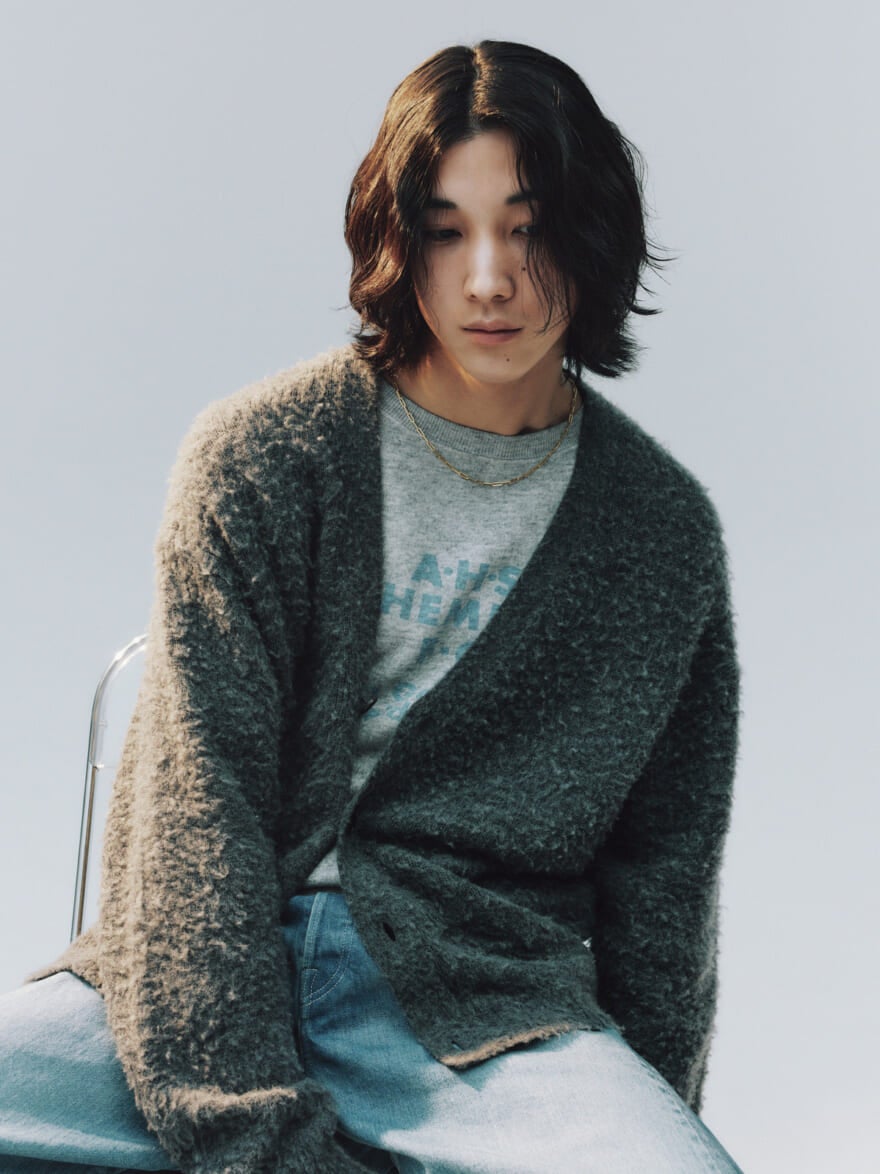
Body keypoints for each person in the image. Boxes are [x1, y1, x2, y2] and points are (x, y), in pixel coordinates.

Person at [0, 40, 743, 1174]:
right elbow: (196, 816)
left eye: (529, 229)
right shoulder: (264, 456)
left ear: (594, 234)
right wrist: (254, 1128)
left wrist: (647, 1113)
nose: (488, 278)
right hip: (194, 975)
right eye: (446, 231)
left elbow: (664, 893)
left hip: (482, 1016)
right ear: (397, 242)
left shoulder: (660, 536)